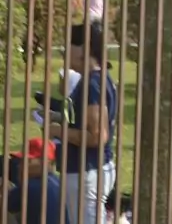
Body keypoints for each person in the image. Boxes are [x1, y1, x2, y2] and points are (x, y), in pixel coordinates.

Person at [52, 21, 118, 224]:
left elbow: (97, 136)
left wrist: (58, 131)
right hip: (88, 171)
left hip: (87, 172)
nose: (64, 50)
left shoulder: (93, 84)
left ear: (85, 49)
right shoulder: (94, 80)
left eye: (69, 44)